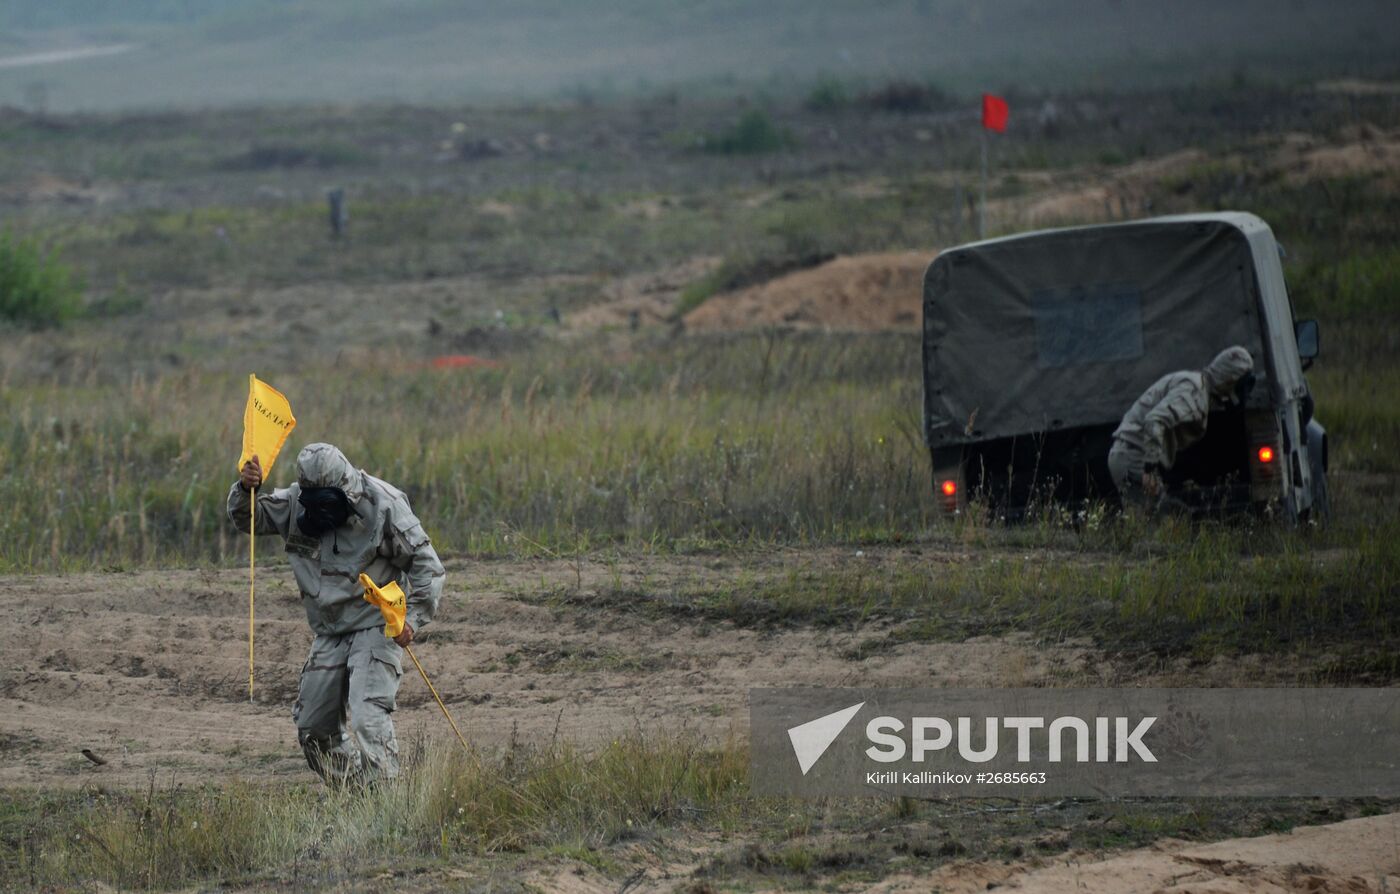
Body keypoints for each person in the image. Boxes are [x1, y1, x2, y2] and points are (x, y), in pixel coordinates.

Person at [229, 442, 445, 786]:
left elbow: (428, 567)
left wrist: (412, 620)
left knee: (367, 717)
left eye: (328, 503)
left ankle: (386, 802)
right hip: (329, 631)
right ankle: (357, 794)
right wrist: (245, 489)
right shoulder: (296, 501)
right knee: (313, 729)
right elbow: (249, 519)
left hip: (376, 622)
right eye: (313, 504)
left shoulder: (382, 505)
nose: (321, 511)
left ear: (345, 490)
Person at [1108, 346, 1255, 513]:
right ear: (1229, 380)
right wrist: (1149, 469)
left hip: (1130, 455)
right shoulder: (1194, 393)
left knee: (1157, 521)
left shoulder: (1195, 385)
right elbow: (1154, 420)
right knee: (1150, 527)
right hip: (1134, 458)